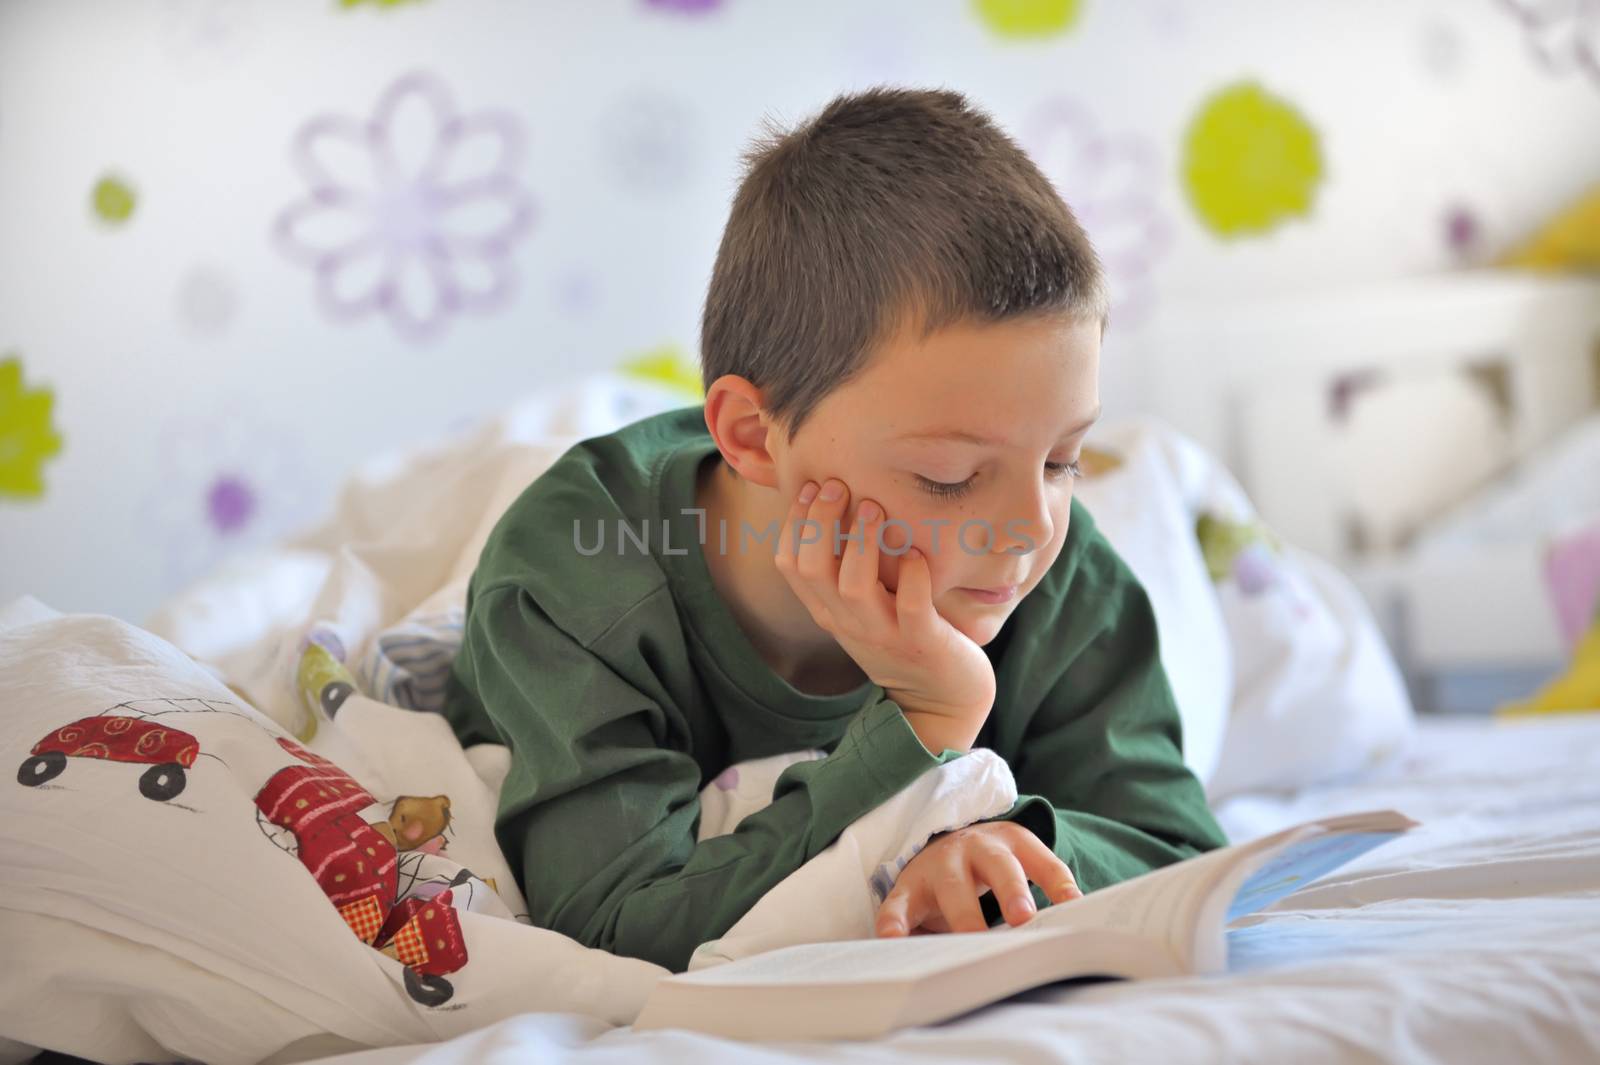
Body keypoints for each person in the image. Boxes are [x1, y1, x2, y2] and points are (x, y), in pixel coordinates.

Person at [442, 86, 1227, 974]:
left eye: (1062, 458)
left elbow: (1183, 848)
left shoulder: (1058, 563)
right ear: (749, 435)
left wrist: (1004, 847)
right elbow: (611, 928)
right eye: (949, 477)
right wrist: (921, 727)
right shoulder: (576, 583)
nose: (1027, 527)